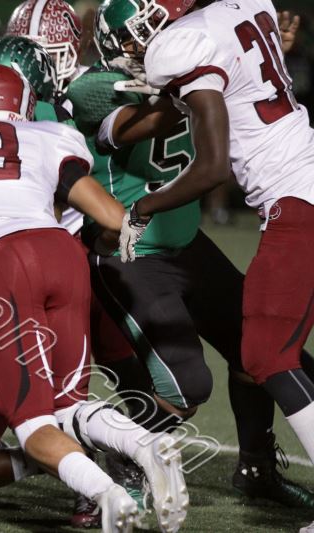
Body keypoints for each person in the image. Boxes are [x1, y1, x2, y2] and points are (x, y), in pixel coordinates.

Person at [0, 62, 189, 533]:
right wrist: (104, 245)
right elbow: (114, 219)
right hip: (62, 255)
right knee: (67, 405)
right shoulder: (50, 136)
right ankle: (144, 444)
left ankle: (107, 494)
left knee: (31, 424)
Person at [69, 0, 314, 512]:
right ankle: (115, 458)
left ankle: (256, 468)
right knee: (187, 386)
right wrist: (214, 67)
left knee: (257, 350)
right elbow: (142, 124)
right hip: (131, 250)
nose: (140, 46)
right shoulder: (94, 87)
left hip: (185, 241)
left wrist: (229, 63)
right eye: (132, 39)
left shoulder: (189, 63)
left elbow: (209, 93)